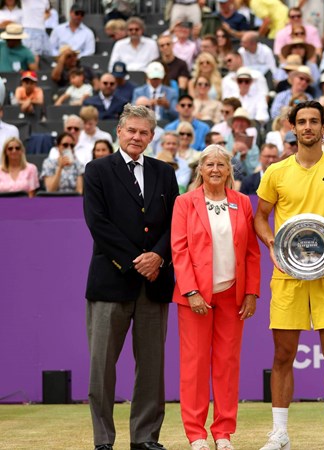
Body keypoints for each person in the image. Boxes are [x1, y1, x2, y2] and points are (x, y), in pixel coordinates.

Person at [254, 100, 324, 450]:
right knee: (283, 355)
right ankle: (280, 433)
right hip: (288, 273)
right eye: (302, 122)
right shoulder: (276, 173)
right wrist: (272, 244)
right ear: (293, 127)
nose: (308, 127)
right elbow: (261, 216)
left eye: (315, 121)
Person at [82, 104, 179, 450]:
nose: (137, 137)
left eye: (144, 132)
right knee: (102, 369)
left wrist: (158, 256)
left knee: (152, 369)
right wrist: (136, 260)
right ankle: (103, 440)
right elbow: (98, 224)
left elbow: (175, 223)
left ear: (151, 136)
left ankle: (145, 438)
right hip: (111, 283)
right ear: (119, 132)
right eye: (132, 131)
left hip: (154, 283)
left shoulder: (164, 173)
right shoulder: (97, 170)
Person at [171, 145, 261, 450]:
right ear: (200, 169)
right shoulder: (184, 203)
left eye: (221, 164)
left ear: (229, 170)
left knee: (227, 365)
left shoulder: (242, 203)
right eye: (209, 164)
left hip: (232, 296)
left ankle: (223, 432)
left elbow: (251, 251)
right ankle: (196, 434)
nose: (215, 169)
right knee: (194, 366)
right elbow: (179, 250)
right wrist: (191, 291)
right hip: (196, 298)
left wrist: (251, 292)